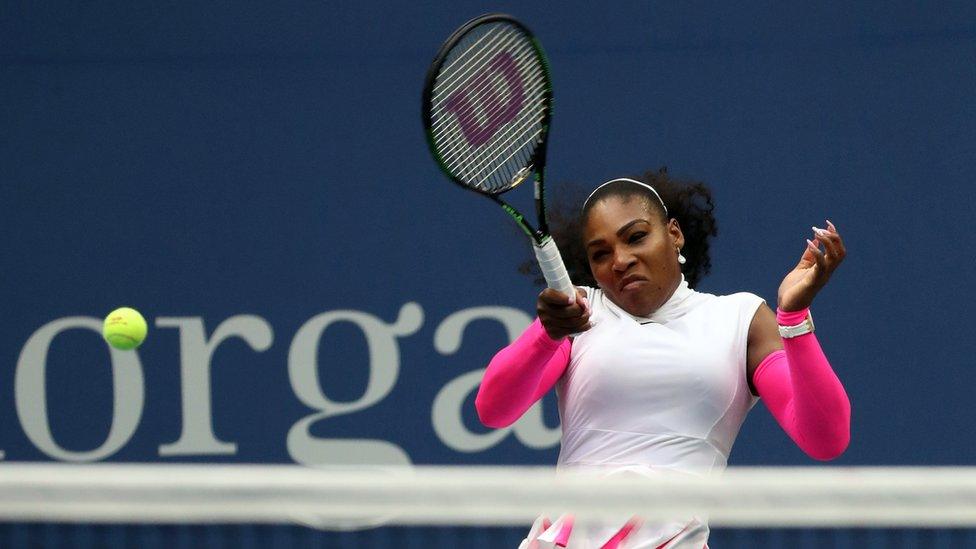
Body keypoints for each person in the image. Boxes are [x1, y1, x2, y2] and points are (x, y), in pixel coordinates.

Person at [475, 172, 851, 549]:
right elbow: (493, 409)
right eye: (600, 254)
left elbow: (826, 439)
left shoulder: (741, 319)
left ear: (674, 234)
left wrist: (793, 317)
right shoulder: (577, 312)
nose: (620, 260)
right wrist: (546, 334)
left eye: (636, 237)